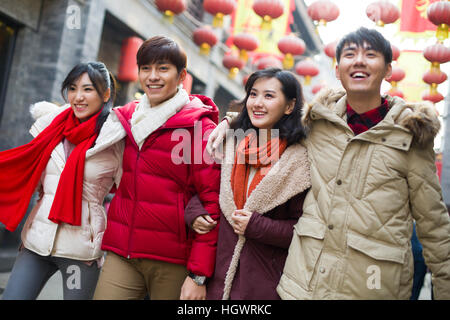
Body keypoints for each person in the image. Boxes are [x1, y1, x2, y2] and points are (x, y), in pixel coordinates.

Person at [207, 27, 450, 299]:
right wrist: (229, 123)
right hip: (302, 287)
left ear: (388, 70)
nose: (359, 61)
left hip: (370, 288)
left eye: (370, 54)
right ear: (337, 70)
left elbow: (434, 226)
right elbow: (270, 116)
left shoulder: (411, 135)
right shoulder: (316, 124)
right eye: (350, 54)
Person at [93, 35, 221, 300]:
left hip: (173, 260)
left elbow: (212, 203)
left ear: (181, 75)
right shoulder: (125, 119)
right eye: (146, 68)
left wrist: (198, 275)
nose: (153, 76)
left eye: (163, 68)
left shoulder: (199, 128)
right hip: (122, 252)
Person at [0, 62, 124, 300]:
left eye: (88, 89)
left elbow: (132, 192)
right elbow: (25, 170)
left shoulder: (114, 140)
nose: (78, 97)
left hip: (81, 251)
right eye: (72, 88)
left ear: (105, 94)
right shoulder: (52, 129)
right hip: (37, 241)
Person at [191, 68, 310, 300]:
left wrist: (257, 226)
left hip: (262, 286)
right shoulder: (231, 145)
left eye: (269, 96)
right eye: (253, 94)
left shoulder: (298, 161)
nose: (257, 103)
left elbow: (304, 229)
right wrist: (195, 212)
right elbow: (207, 191)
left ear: (289, 106)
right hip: (215, 277)